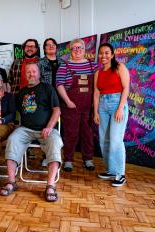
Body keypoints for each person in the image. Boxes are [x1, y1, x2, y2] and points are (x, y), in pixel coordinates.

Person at [0, 63, 63, 202]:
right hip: (25, 129)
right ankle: (11, 182)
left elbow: (57, 110)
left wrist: (49, 126)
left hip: (46, 129)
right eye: (28, 72)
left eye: (34, 71)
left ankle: (50, 185)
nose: (31, 74)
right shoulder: (22, 92)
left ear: (39, 73)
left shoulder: (48, 88)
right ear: (25, 74)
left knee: (55, 141)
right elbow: (10, 108)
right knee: (13, 139)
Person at [56, 39, 98, 172]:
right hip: (70, 105)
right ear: (70, 51)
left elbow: (98, 86)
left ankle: (88, 159)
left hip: (89, 105)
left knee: (88, 133)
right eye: (74, 48)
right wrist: (68, 101)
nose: (77, 50)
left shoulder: (94, 66)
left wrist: (94, 103)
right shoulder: (64, 66)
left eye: (79, 47)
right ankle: (68, 159)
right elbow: (59, 84)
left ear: (84, 49)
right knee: (70, 133)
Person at [93, 43, 130, 187]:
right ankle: (111, 170)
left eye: (107, 53)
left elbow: (126, 88)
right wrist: (96, 111)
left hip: (117, 104)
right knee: (104, 140)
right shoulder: (98, 73)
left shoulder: (120, 67)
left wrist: (120, 108)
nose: (103, 56)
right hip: (102, 105)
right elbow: (96, 93)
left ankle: (120, 174)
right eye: (101, 53)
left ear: (112, 54)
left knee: (115, 140)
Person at [37, 38, 65, 167]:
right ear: (44, 48)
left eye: (53, 45)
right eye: (47, 45)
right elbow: (37, 81)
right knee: (49, 126)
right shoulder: (40, 63)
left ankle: (57, 156)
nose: (50, 47)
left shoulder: (63, 62)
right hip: (46, 98)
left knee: (62, 128)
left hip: (62, 96)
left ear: (56, 47)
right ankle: (46, 156)